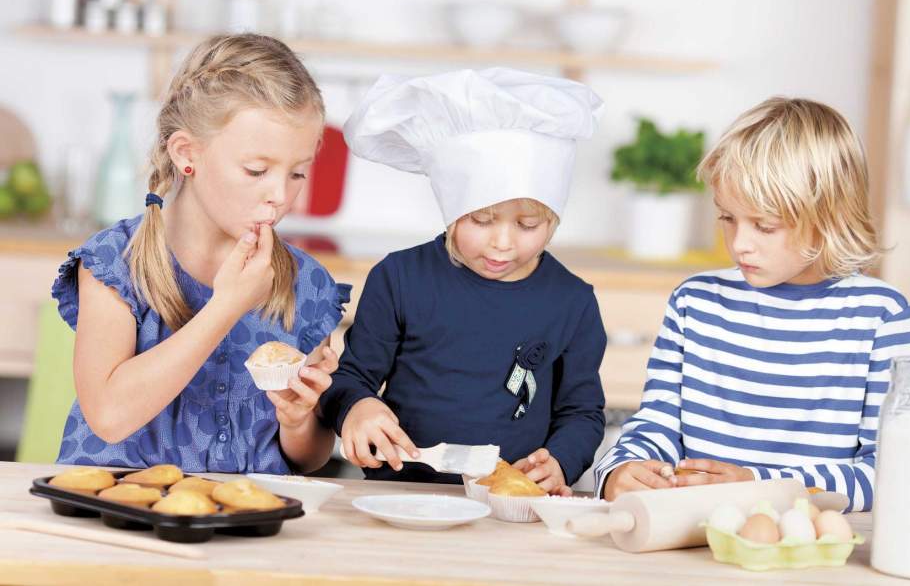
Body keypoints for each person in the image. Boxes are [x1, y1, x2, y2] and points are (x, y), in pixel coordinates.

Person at [594, 97, 910, 511]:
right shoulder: (695, 302)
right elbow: (657, 423)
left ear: (828, 218)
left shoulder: (881, 317)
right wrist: (622, 470)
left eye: (764, 226)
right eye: (727, 219)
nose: (739, 244)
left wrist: (758, 485)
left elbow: (889, 473)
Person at [53, 34, 349, 474]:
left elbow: (310, 456)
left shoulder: (307, 283)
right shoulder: (115, 262)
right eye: (256, 170)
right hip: (117, 514)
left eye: (298, 173)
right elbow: (109, 417)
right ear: (187, 154)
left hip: (245, 521)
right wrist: (227, 306)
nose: (280, 195)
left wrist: (297, 420)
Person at [320, 68, 607, 494]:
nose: (503, 244)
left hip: (510, 501)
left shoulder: (572, 301)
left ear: (553, 219)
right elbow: (351, 378)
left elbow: (582, 411)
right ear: (452, 208)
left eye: (529, 225)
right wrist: (357, 408)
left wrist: (562, 461)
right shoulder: (399, 279)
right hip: (400, 492)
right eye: (481, 220)